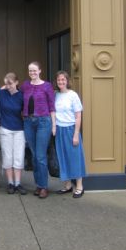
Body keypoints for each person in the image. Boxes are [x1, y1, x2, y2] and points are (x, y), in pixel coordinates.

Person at [20, 61, 56, 199]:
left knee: (40, 156)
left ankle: (44, 186)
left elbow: (52, 106)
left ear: (40, 71)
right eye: (30, 70)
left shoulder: (47, 86)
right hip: (28, 122)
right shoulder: (25, 85)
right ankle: (38, 185)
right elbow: (15, 93)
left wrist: (54, 125)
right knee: (34, 155)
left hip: (43, 122)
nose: (32, 73)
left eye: (35, 70)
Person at [0, 72, 27, 195]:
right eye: (6, 84)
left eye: (10, 84)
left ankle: (18, 183)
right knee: (7, 157)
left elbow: (26, 111)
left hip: (19, 130)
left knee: (18, 157)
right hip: (5, 129)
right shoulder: (1, 92)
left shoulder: (22, 95)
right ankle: (10, 183)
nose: (8, 86)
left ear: (17, 82)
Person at [54, 70, 86, 198]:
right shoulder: (55, 95)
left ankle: (79, 186)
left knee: (75, 158)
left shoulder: (73, 95)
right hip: (59, 130)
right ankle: (67, 186)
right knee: (62, 158)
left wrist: (76, 134)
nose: (61, 82)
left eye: (63, 79)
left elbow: (78, 116)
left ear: (67, 81)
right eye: (59, 80)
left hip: (71, 129)